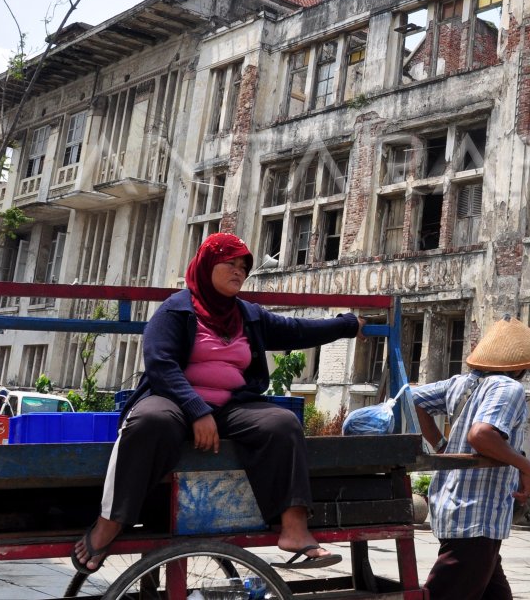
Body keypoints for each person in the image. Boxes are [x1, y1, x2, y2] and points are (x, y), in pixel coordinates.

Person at [72, 232, 365, 574]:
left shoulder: (248, 315)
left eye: (244, 266)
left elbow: (298, 329)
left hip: (231, 406)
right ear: (208, 264)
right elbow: (160, 364)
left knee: (282, 423)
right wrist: (197, 410)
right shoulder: (176, 310)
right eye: (230, 263)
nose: (239, 270)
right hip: (173, 401)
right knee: (149, 422)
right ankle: (110, 521)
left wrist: (347, 325)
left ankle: (294, 529)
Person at [412, 315, 530, 600]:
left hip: (459, 512)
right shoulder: (508, 388)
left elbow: (412, 399)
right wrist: (526, 466)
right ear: (521, 366)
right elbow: (481, 434)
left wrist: (441, 445)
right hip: (476, 518)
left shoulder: (460, 384)